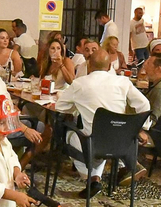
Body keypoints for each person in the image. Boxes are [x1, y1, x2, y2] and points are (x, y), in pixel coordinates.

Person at [55, 46, 151, 198]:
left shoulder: (80, 84)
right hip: (121, 144)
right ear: (110, 66)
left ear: (89, 65)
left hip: (92, 144)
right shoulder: (123, 82)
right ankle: (95, 179)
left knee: (70, 136)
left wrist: (76, 107)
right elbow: (144, 105)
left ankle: (90, 179)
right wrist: (141, 128)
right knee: (100, 141)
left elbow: (60, 106)